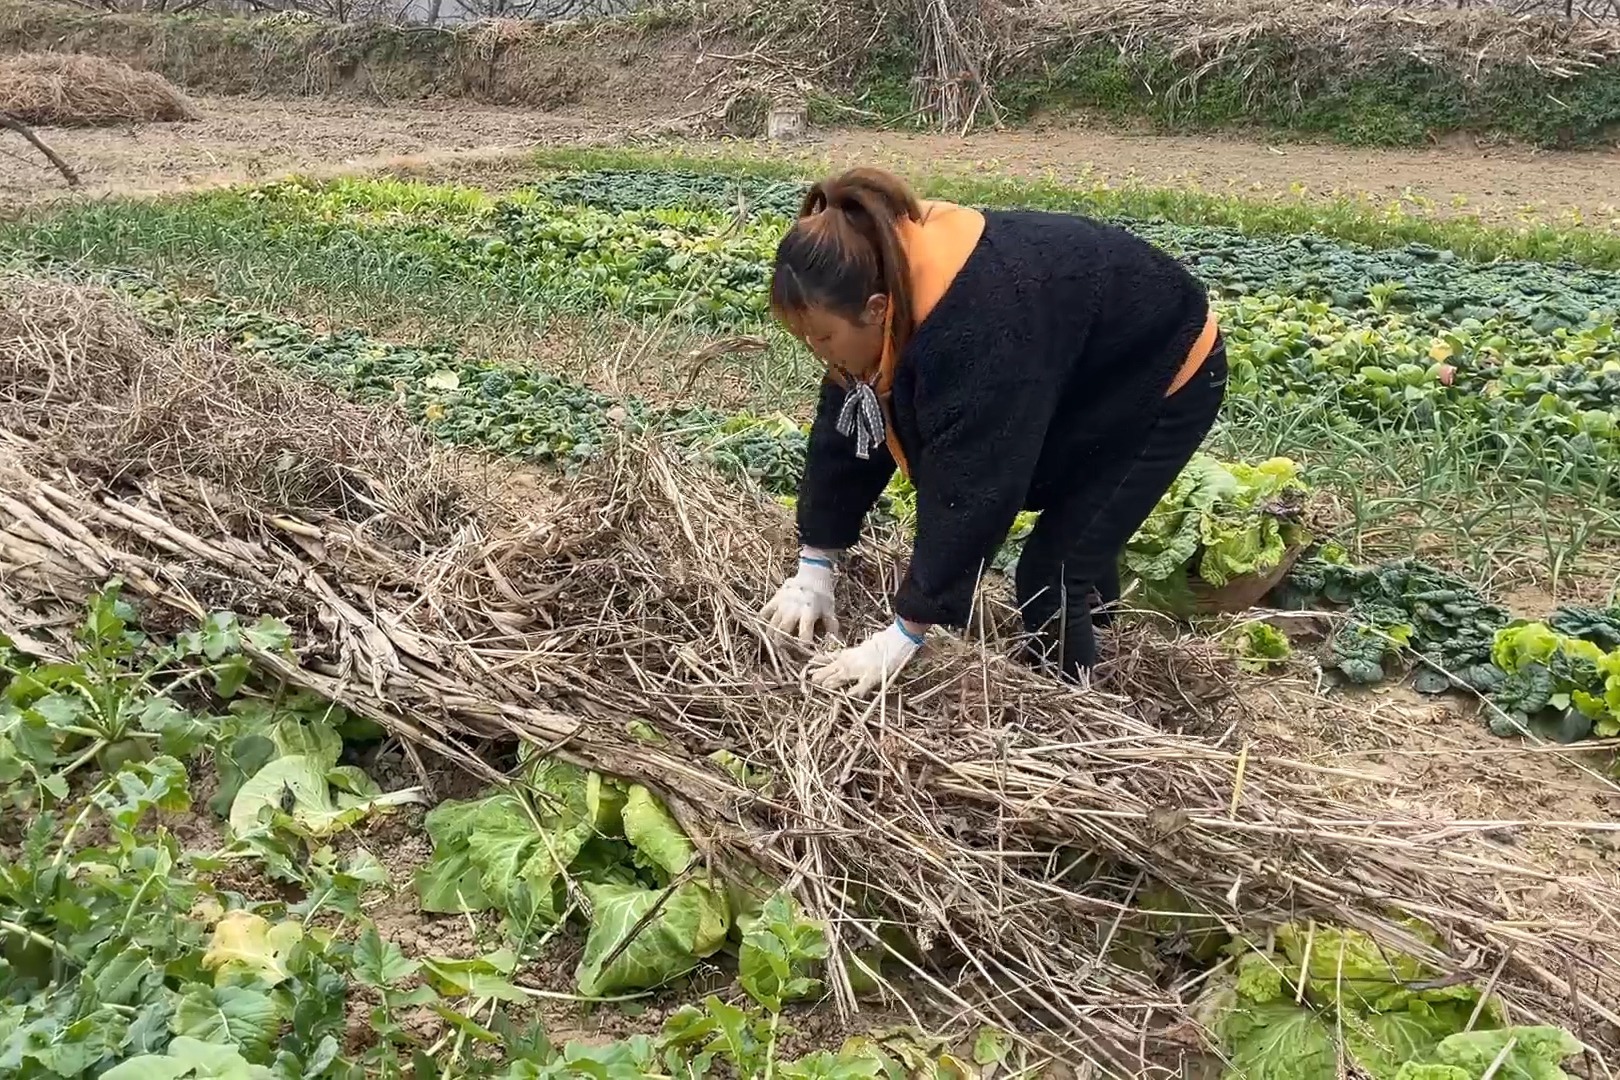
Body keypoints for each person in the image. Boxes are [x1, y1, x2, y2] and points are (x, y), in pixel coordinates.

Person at [759, 167, 1226, 693]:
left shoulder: (975, 326)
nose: (817, 352)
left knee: (1051, 576)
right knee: (1077, 533)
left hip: (1163, 370)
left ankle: (1070, 706)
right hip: (1081, 364)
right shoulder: (874, 275)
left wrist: (905, 633)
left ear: (876, 310)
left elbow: (973, 482)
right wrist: (816, 561)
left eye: (821, 336)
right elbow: (848, 436)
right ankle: (1099, 634)